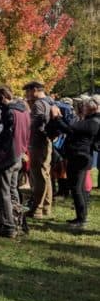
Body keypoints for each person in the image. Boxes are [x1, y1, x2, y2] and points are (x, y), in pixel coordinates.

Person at [50, 96, 100, 228]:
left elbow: (70, 128)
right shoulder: (92, 120)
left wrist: (57, 117)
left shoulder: (93, 122)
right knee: (79, 188)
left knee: (77, 188)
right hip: (80, 156)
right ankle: (81, 216)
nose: (82, 108)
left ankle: (81, 218)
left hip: (80, 157)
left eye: (84, 106)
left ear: (91, 108)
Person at [0, 86, 30, 238]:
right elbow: (28, 133)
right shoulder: (24, 111)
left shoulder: (8, 112)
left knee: (4, 192)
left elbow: (4, 137)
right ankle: (17, 220)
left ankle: (8, 226)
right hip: (18, 154)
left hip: (7, 156)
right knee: (12, 190)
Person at [23, 82, 53, 219]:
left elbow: (40, 122)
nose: (26, 94)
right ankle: (46, 207)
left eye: (28, 91)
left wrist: (28, 123)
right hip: (45, 142)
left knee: (39, 176)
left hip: (38, 143)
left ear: (35, 90)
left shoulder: (38, 104)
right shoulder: (49, 102)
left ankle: (37, 209)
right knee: (45, 175)